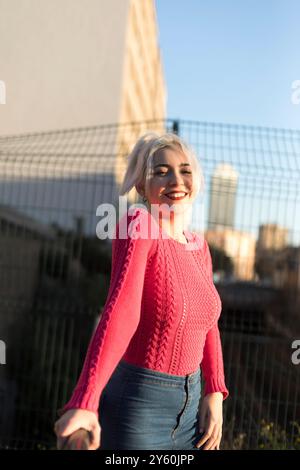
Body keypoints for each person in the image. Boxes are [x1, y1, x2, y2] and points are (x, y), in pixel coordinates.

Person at [54, 132, 229, 450]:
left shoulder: (199, 248)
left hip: (191, 416)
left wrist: (214, 389)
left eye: (185, 170)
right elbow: (121, 310)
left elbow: (209, 322)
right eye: (161, 172)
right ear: (141, 186)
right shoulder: (139, 224)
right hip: (138, 408)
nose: (176, 180)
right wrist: (85, 400)